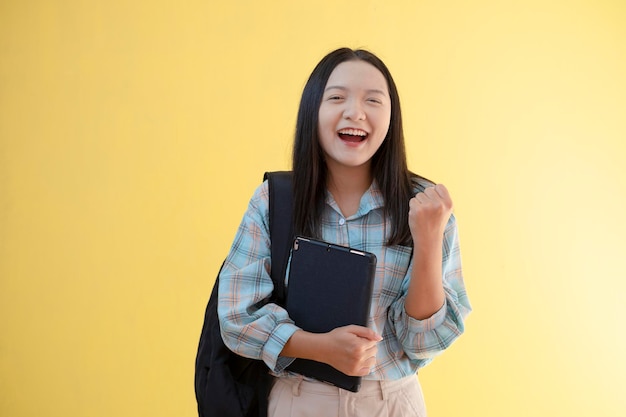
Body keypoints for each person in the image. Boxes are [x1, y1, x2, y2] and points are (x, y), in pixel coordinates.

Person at [217, 47, 471, 417]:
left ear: (391, 117)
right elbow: (237, 318)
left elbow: (423, 341)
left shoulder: (424, 205)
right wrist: (319, 348)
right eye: (337, 97)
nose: (355, 112)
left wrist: (429, 239)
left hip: (393, 402)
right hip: (300, 401)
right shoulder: (274, 200)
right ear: (312, 111)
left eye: (373, 100)